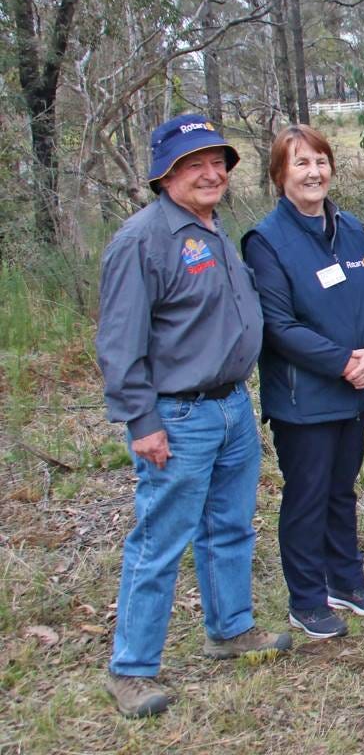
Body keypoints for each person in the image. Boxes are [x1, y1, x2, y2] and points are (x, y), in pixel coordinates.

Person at [96, 115, 292, 718]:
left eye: (217, 163)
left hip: (232, 406)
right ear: (163, 174)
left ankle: (229, 629)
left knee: (230, 528)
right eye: (191, 164)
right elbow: (120, 343)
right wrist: (142, 422)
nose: (210, 174)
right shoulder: (143, 240)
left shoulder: (213, 229)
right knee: (159, 542)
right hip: (178, 417)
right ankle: (131, 670)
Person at [242, 125, 364, 639]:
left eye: (320, 161)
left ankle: (345, 581)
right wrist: (343, 363)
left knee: (341, 490)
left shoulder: (350, 229)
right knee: (307, 496)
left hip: (358, 388)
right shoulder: (266, 241)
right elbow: (279, 327)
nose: (313, 172)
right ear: (280, 174)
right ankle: (306, 598)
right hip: (303, 398)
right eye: (300, 163)